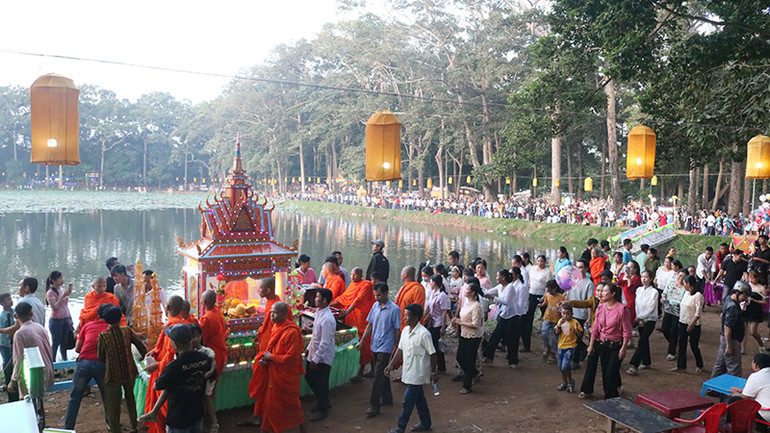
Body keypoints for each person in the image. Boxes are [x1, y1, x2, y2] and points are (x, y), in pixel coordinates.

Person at [247, 302, 307, 433]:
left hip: (286, 376)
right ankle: (266, 429)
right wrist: (266, 360)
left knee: (292, 406)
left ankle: (303, 430)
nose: (272, 315)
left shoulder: (291, 332)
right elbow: (273, 350)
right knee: (270, 406)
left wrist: (271, 357)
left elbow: (290, 357)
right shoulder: (276, 327)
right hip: (274, 373)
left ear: (284, 314)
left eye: (275, 313)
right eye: (271, 312)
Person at [385, 303, 437, 433]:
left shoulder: (424, 334)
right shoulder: (405, 331)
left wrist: (433, 372)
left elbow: (433, 353)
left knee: (408, 401)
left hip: (418, 373)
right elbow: (400, 349)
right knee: (419, 399)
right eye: (404, 315)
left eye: (407, 316)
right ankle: (426, 423)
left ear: (416, 317)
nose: (404, 318)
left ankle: (400, 427)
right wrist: (391, 364)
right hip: (409, 370)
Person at [154, 323, 212, 433]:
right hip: (197, 415)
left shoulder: (174, 366)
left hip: (178, 419)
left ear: (175, 345)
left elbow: (157, 386)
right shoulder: (205, 359)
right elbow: (211, 377)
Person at [98, 305, 147, 433]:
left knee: (113, 404)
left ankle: (115, 429)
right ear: (120, 318)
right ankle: (134, 426)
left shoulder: (103, 336)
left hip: (113, 374)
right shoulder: (127, 331)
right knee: (130, 398)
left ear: (105, 320)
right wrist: (144, 358)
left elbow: (100, 355)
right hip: (129, 371)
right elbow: (140, 345)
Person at [579, 283, 632, 400]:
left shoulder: (622, 309)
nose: (602, 294)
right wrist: (591, 344)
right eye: (601, 292)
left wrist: (624, 347)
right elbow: (596, 328)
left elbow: (627, 331)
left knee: (610, 373)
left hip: (616, 346)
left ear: (613, 294)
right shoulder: (600, 308)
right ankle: (609, 398)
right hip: (603, 345)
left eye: (605, 292)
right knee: (604, 373)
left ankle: (613, 398)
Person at [64, 303, 111, 431]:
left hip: (83, 363)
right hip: (102, 364)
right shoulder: (111, 329)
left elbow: (78, 348)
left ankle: (68, 427)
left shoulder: (88, 325)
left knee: (75, 397)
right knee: (106, 395)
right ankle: (111, 423)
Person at [144, 295, 187, 433]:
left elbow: (171, 356)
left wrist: (156, 366)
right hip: (174, 369)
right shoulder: (180, 326)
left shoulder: (173, 328)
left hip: (168, 371)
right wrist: (155, 351)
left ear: (167, 308)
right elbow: (165, 349)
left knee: (165, 407)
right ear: (181, 309)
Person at [358, 282, 401, 417]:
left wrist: (396, 348)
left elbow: (397, 330)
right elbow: (370, 325)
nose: (377, 298)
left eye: (379, 295)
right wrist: (362, 341)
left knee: (377, 376)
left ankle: (374, 405)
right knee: (382, 372)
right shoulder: (375, 306)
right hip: (375, 343)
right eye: (375, 295)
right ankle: (387, 397)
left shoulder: (394, 309)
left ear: (386, 293)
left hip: (386, 346)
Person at [332, 268, 375, 381]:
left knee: (364, 341)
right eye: (351, 274)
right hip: (352, 317)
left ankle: (362, 372)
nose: (352, 277)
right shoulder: (352, 285)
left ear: (361, 275)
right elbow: (344, 298)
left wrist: (347, 311)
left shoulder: (366, 285)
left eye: (355, 275)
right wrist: (328, 304)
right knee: (354, 340)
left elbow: (358, 300)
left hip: (362, 318)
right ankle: (364, 369)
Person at [8, 302, 54, 398]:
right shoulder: (40, 327)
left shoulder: (19, 333)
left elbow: (18, 358)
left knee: (26, 398)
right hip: (46, 369)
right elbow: (48, 349)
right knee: (38, 399)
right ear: (31, 314)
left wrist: (13, 379)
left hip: (31, 374)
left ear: (16, 316)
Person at [306, 288, 336, 421]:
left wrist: (316, 359)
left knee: (321, 382)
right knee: (311, 378)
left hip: (322, 357)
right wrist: (308, 348)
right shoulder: (319, 313)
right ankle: (322, 402)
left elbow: (325, 341)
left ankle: (323, 408)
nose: (315, 299)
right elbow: (315, 336)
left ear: (324, 300)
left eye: (317, 297)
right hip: (314, 353)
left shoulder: (328, 319)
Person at [711, 282, 751, 378]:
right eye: (745, 296)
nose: (745, 299)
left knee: (720, 365)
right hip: (731, 339)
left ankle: (711, 389)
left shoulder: (728, 299)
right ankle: (733, 392)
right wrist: (729, 346)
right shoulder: (732, 307)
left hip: (726, 338)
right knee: (734, 368)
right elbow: (727, 327)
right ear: (739, 293)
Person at [451, 282, 483, 393]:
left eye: (467, 289)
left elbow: (476, 324)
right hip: (464, 334)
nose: (465, 290)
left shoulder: (476, 306)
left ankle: (467, 385)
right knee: (460, 357)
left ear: (473, 292)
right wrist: (456, 321)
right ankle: (473, 373)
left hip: (473, 336)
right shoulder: (466, 303)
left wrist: (460, 322)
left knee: (470, 359)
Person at [626, 270, 659, 375]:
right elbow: (637, 304)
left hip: (650, 319)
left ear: (650, 278)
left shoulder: (654, 292)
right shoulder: (639, 290)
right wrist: (639, 317)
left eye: (646, 277)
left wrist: (641, 317)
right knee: (644, 341)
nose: (644, 279)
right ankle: (646, 361)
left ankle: (634, 364)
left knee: (642, 341)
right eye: (642, 277)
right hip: (640, 319)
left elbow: (651, 307)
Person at [199, 290, 228, 393]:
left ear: (205, 302)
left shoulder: (207, 319)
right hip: (221, 352)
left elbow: (201, 341)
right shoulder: (217, 311)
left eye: (201, 300)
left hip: (213, 355)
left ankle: (206, 409)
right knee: (211, 388)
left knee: (207, 390)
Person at [674, 275, 705, 373]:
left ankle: (699, 364)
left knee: (693, 345)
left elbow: (698, 312)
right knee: (681, 344)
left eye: (685, 283)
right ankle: (681, 366)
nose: (683, 285)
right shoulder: (686, 293)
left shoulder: (698, 296)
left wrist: (692, 323)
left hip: (693, 324)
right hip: (683, 321)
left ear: (689, 284)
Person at [729, 353, 770, 424]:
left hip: (765, 413)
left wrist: (737, 394)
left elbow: (746, 397)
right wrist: (742, 390)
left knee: (734, 400)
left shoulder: (756, 376)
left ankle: (731, 425)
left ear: (756, 365)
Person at [424, 274, 449, 373]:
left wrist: (443, 327)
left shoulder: (442, 295)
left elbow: (444, 313)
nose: (429, 284)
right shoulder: (432, 293)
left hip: (438, 323)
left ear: (434, 283)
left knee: (436, 345)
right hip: (432, 321)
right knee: (432, 344)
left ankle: (441, 367)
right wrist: (423, 317)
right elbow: (428, 308)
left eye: (430, 282)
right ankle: (436, 365)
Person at [45, 270, 73, 361]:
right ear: (53, 280)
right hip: (56, 321)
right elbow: (54, 307)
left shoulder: (62, 290)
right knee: (56, 342)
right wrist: (63, 296)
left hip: (65, 319)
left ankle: (65, 361)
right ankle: (53, 363)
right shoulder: (50, 292)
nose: (62, 280)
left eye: (62, 278)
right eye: (60, 278)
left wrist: (70, 318)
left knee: (64, 342)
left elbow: (66, 306)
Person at [555, 304, 583, 393]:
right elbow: (556, 332)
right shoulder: (560, 321)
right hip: (561, 347)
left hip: (570, 347)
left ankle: (570, 381)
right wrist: (560, 325)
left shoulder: (575, 322)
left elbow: (580, 335)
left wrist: (577, 330)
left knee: (565, 366)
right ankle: (566, 382)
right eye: (563, 313)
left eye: (567, 314)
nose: (565, 316)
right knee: (561, 367)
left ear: (572, 314)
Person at [539, 280, 565, 365]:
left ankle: (553, 354)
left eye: (550, 290)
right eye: (548, 290)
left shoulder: (561, 297)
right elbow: (545, 303)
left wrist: (560, 312)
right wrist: (541, 305)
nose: (549, 292)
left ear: (555, 288)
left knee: (554, 338)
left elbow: (563, 308)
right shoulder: (547, 295)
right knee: (544, 333)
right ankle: (547, 347)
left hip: (556, 320)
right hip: (547, 318)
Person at [0, 293, 20, 402]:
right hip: (5, 344)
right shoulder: (2, 316)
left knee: (14, 364)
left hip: (14, 343)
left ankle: (15, 386)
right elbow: (5, 331)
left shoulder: (14, 312)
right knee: (8, 365)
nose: (10, 301)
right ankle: (10, 387)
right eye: (8, 299)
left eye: (11, 298)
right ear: (2, 303)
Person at [744, 270, 768, 353]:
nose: (751, 280)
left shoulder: (762, 288)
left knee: (753, 332)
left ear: (757, 278)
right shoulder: (747, 285)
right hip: (746, 309)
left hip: (756, 311)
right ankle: (743, 349)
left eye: (753, 278)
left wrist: (755, 300)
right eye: (750, 278)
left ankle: (761, 344)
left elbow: (765, 301)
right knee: (744, 330)